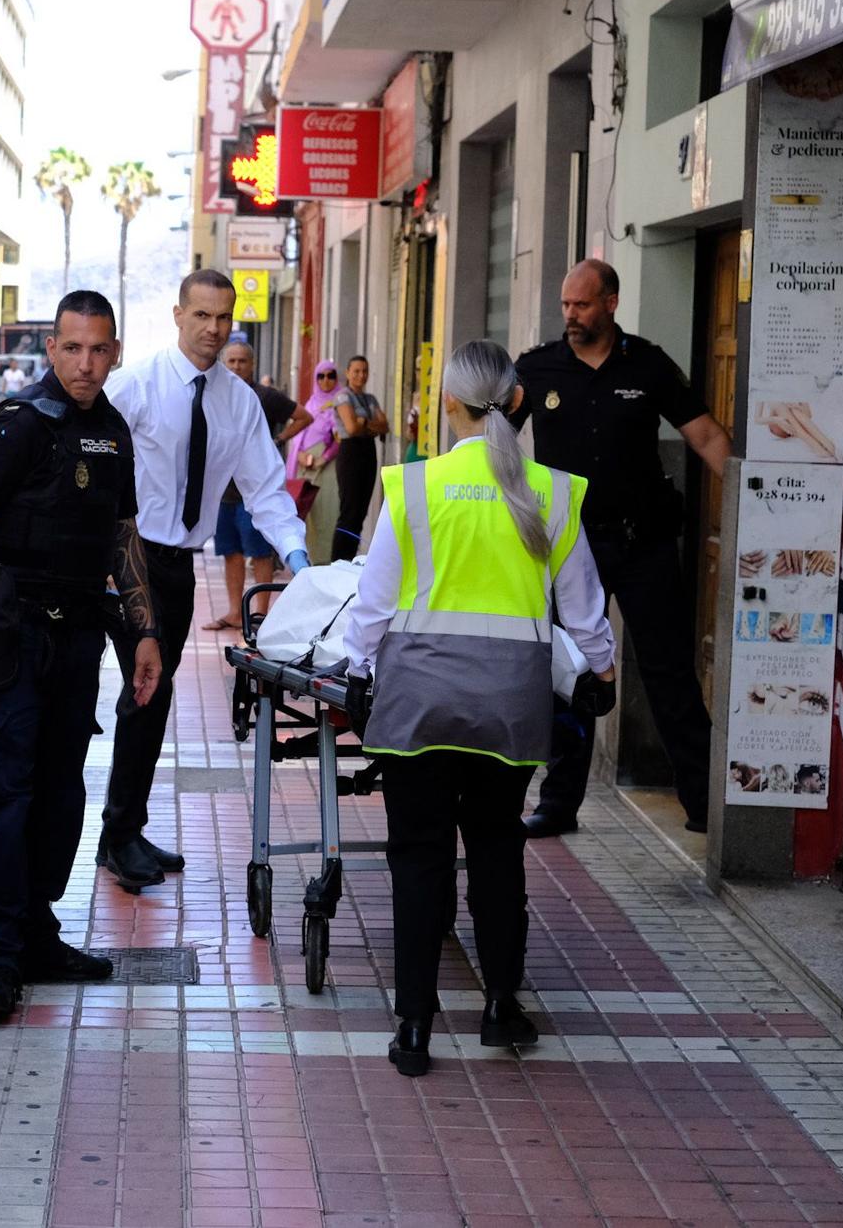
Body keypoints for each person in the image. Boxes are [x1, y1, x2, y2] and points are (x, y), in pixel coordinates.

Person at [342, 340, 618, 1077]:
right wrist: (602, 670)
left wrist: (351, 670)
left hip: (419, 706)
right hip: (509, 707)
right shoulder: (552, 491)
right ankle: (500, 1004)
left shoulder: (414, 487)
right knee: (496, 846)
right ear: (516, 403)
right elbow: (586, 609)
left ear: (448, 404)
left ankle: (411, 1029)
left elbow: (370, 611)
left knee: (419, 857)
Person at [0, 290, 164, 1017]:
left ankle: (36, 933)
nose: (85, 363)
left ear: (115, 352)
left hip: (76, 637)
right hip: (10, 635)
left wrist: (143, 630)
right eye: (72, 348)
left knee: (61, 797)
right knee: (0, 796)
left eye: (99, 349)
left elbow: (122, 536)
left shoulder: (113, 434)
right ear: (51, 349)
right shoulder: (17, 428)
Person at [98, 270, 310, 892]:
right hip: (128, 558)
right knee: (146, 688)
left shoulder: (237, 400)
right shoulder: (134, 386)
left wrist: (298, 561)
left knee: (153, 695)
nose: (213, 330)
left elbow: (266, 489)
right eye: (202, 316)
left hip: (180, 566)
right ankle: (117, 835)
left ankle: (126, 829)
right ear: (177, 313)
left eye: (223, 318)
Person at [512, 259, 732, 836]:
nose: (570, 316)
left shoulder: (649, 364)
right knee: (571, 672)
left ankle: (703, 802)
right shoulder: (537, 368)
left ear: (610, 302)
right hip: (569, 552)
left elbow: (705, 434)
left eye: (581, 305)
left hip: (644, 545)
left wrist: (754, 501)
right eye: (565, 305)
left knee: (669, 673)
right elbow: (494, 443)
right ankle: (558, 806)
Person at [206, 339, 312, 631]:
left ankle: (261, 614)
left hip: (256, 493)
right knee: (231, 552)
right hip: (223, 494)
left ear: (252, 364)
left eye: (243, 361)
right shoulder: (216, 395)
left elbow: (304, 416)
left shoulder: (265, 396)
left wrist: (279, 440)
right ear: (223, 364)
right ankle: (233, 612)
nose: (237, 366)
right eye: (232, 361)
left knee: (260, 553)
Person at [329, 354, 389, 561]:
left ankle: (350, 557)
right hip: (350, 455)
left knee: (360, 512)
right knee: (349, 511)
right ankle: (338, 560)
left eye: (364, 371)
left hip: (368, 454)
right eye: (356, 371)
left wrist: (364, 422)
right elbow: (352, 428)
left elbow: (385, 426)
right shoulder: (342, 396)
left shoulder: (370, 398)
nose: (360, 375)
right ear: (347, 373)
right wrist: (366, 423)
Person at [287, 359, 342, 562]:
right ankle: (307, 562)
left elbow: (340, 438)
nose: (326, 381)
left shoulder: (340, 402)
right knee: (307, 517)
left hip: (327, 468)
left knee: (327, 516)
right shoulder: (310, 404)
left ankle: (325, 562)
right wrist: (300, 453)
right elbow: (299, 434)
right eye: (321, 376)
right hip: (305, 468)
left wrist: (324, 458)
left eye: (331, 376)